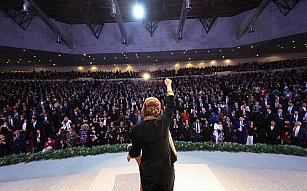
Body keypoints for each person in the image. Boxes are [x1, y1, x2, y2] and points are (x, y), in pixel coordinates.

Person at [127, 78, 177, 191]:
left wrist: (130, 154)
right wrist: (168, 86)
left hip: (148, 173)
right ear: (158, 109)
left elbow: (135, 152)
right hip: (166, 172)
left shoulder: (136, 129)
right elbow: (171, 105)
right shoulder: (164, 122)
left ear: (143, 109)